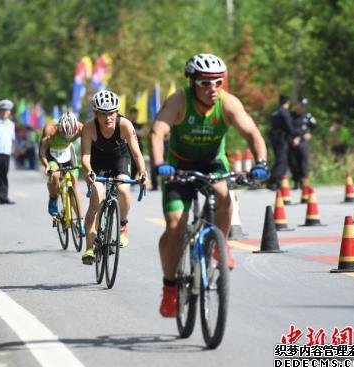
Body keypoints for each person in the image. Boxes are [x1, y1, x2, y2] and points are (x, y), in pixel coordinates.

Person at [149, 53, 268, 317]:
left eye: (218, 81)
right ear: (192, 82)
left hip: (213, 163)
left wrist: (261, 163)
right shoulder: (179, 101)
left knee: (225, 197)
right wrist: (158, 164)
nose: (212, 88)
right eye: (205, 83)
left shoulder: (228, 103)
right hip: (178, 167)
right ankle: (170, 288)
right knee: (174, 225)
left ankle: (220, 244)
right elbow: (157, 131)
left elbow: (252, 132)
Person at [80, 90, 147, 265]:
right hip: (98, 162)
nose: (108, 117)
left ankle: (123, 225)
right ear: (96, 114)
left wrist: (142, 172)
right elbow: (85, 156)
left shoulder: (125, 125)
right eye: (103, 113)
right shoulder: (89, 128)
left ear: (117, 112)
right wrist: (88, 171)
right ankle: (89, 248)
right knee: (96, 198)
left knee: (123, 189)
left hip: (120, 159)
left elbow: (137, 153)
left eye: (111, 113)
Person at [38, 112, 85, 235]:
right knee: (55, 175)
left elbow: (88, 144)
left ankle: (80, 221)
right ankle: (53, 199)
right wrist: (47, 166)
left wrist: (85, 161)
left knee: (75, 183)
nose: (67, 138)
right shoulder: (50, 130)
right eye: (64, 135)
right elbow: (42, 151)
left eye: (70, 136)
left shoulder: (80, 128)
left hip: (67, 152)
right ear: (58, 128)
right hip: (52, 153)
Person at [265, 94, 301, 191]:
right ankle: (273, 181)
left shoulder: (275, 112)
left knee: (278, 160)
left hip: (274, 138)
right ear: (288, 102)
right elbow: (289, 127)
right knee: (282, 161)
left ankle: (275, 181)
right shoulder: (284, 113)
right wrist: (297, 134)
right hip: (282, 139)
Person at [289, 97, 316, 189]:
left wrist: (309, 134)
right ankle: (296, 181)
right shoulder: (291, 115)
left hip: (302, 141)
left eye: (304, 106)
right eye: (300, 106)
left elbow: (314, 127)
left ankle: (304, 182)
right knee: (293, 163)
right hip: (292, 142)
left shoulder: (308, 116)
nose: (302, 108)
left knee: (303, 162)